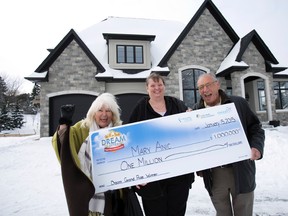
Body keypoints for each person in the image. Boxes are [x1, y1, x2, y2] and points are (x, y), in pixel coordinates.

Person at [193, 73, 265, 216]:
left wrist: (256, 147)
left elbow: (256, 128)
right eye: (201, 87)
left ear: (217, 85)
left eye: (208, 85)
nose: (205, 90)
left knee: (244, 212)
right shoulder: (195, 112)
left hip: (241, 170)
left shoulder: (238, 104)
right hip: (214, 174)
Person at [128, 72, 195, 216]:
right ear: (147, 88)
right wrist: (135, 174)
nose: (157, 88)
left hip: (178, 176)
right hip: (152, 180)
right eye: (153, 85)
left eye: (160, 84)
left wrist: (192, 117)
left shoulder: (176, 104)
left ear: (164, 86)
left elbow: (191, 128)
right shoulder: (140, 108)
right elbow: (130, 140)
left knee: (177, 212)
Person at [52, 93, 127, 216]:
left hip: (113, 192)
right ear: (93, 113)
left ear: (113, 114)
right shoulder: (82, 128)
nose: (104, 114)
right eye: (100, 110)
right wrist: (64, 123)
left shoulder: (120, 131)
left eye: (108, 111)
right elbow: (64, 146)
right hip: (87, 190)